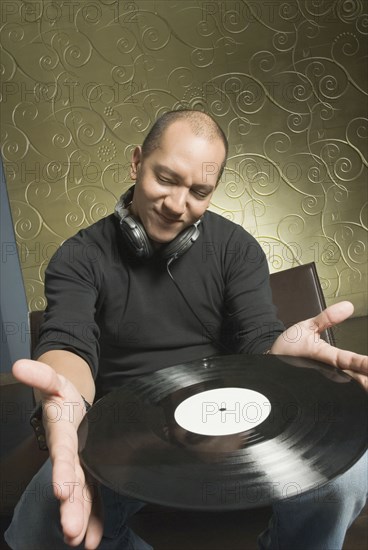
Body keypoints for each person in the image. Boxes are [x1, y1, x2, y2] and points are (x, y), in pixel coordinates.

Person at [5, 110, 367, 550]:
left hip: (226, 421)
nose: (177, 205)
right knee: (44, 518)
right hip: (124, 432)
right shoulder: (79, 257)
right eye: (165, 179)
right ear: (137, 162)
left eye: (199, 191)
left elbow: (257, 339)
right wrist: (67, 395)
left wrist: (283, 354)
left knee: (348, 478)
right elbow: (69, 343)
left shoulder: (236, 249)